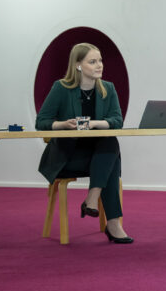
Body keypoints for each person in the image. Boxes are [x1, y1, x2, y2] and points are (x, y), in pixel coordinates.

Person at [36, 43, 133, 244]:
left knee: (109, 143)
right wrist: (62, 124)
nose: (99, 65)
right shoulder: (61, 88)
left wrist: (94, 123)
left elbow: (117, 121)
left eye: (100, 60)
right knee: (111, 159)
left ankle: (92, 198)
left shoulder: (108, 88)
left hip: (97, 157)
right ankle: (112, 224)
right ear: (78, 65)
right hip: (67, 158)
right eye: (92, 61)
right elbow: (41, 122)